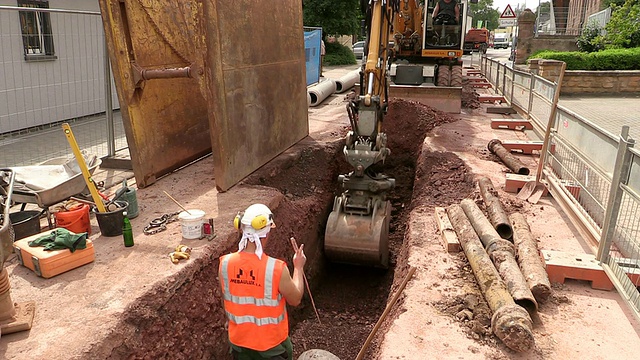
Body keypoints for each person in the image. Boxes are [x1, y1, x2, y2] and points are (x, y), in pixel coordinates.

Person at [219, 203, 306, 360]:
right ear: (265, 234)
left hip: (239, 345)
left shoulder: (224, 264)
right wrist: (298, 267)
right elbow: (295, 298)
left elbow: (226, 298)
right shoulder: (276, 268)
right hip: (271, 349)